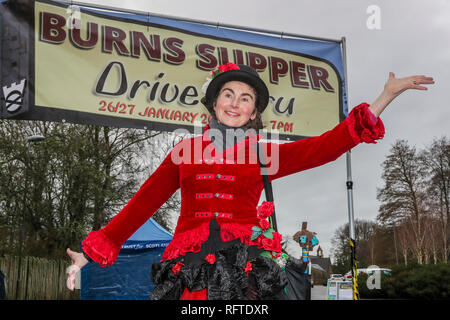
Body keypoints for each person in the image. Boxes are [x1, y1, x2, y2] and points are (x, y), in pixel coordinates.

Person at [67, 63, 434, 300]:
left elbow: (326, 147)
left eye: (245, 98)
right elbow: (142, 204)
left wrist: (384, 97)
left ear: (254, 112)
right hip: (188, 269)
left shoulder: (262, 151)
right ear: (214, 104)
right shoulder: (185, 149)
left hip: (244, 270)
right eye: (228, 94)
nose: (235, 102)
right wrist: (87, 253)